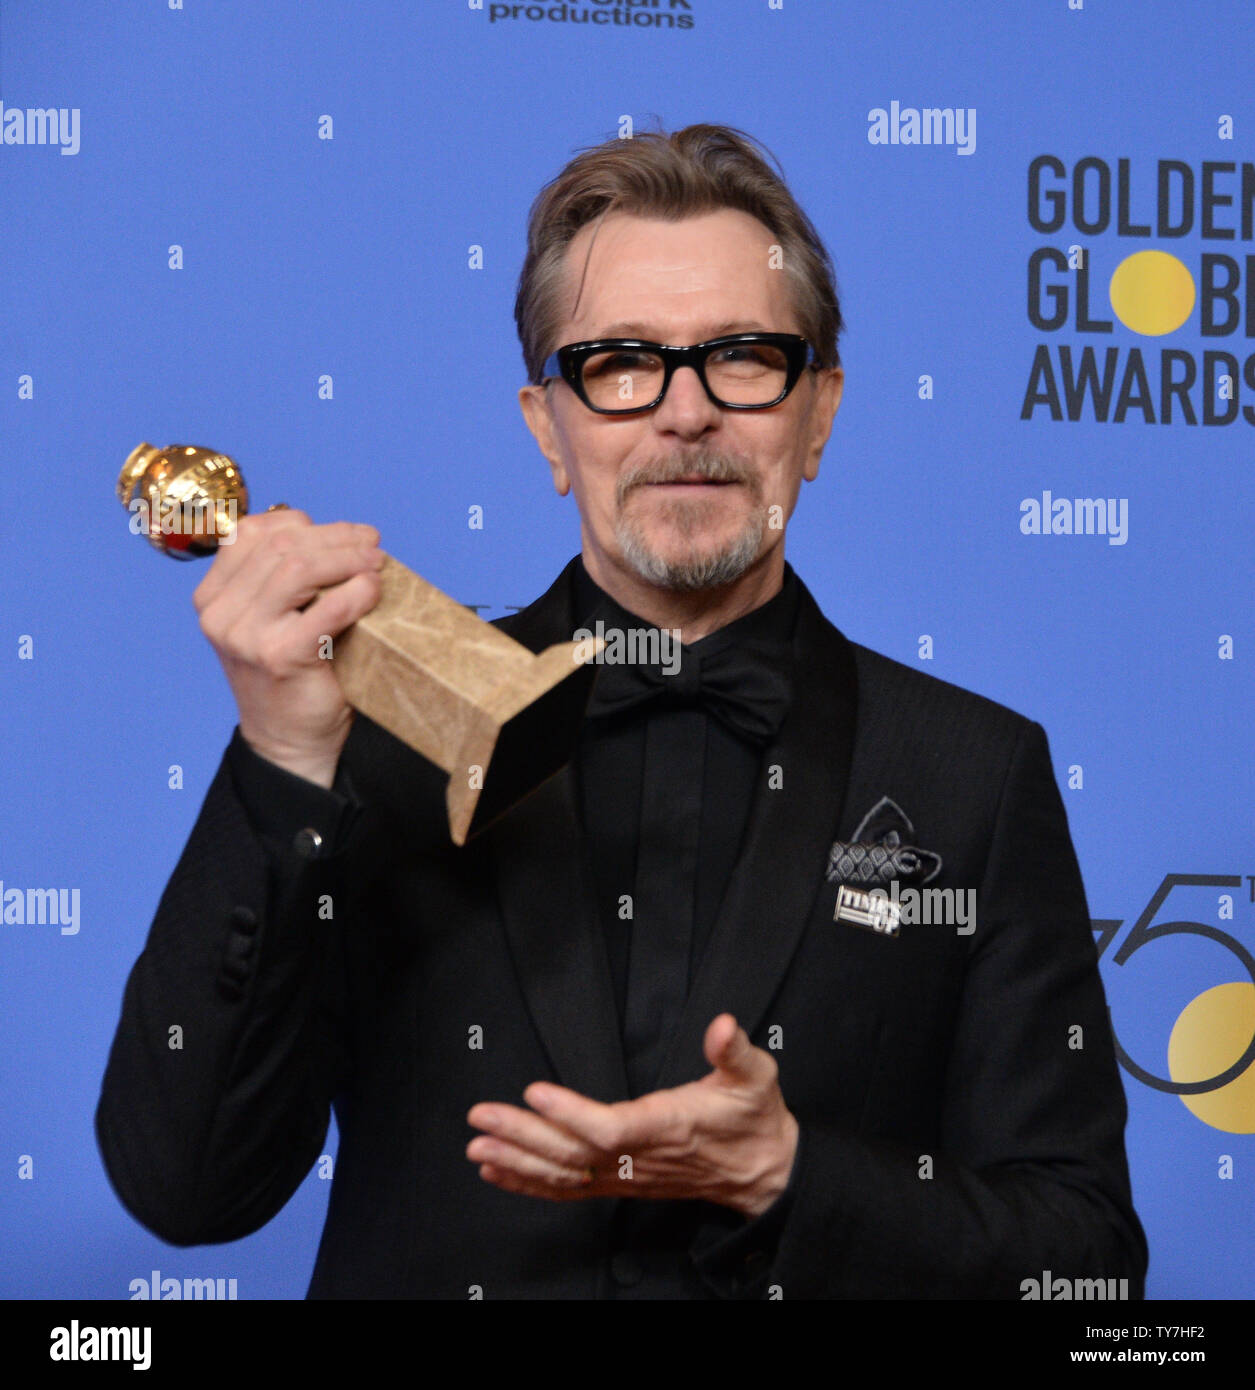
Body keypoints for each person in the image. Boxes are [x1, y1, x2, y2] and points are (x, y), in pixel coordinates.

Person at [96, 124, 1148, 1299]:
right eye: (620, 363)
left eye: (744, 357)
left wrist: (787, 1176)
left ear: (822, 412)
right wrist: (284, 759)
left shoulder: (971, 773)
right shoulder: (366, 739)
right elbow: (183, 1188)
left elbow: (1086, 1267)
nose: (684, 413)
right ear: (548, 425)